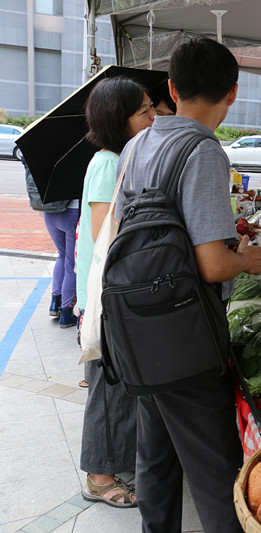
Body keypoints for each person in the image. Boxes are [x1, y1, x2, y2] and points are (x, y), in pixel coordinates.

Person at [114, 37, 261, 533]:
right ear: (233, 94)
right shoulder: (203, 152)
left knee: (154, 459)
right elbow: (214, 266)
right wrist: (251, 259)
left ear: (172, 88)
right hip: (184, 334)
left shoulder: (137, 144)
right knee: (216, 471)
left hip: (136, 327)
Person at [75, 76, 155, 508]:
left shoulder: (119, 158)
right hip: (108, 298)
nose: (153, 116)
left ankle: (113, 462)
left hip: (113, 295)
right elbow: (107, 233)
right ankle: (99, 477)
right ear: (118, 120)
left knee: (118, 386)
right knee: (108, 388)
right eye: (143, 111)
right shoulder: (109, 163)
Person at [21, 153, 79, 327]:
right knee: (71, 263)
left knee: (61, 256)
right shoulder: (73, 155)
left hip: (49, 212)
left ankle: (55, 303)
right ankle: (67, 312)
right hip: (71, 212)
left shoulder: (45, 152)